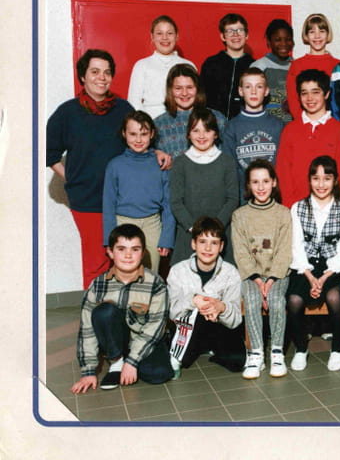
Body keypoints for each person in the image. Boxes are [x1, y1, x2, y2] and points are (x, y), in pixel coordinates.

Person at [47, 49, 145, 288]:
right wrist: (73, 178)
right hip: (88, 199)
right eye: (95, 71)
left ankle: (123, 307)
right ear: (83, 76)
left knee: (126, 258)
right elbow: (49, 153)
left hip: (123, 199)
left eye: (107, 72)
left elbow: (140, 141)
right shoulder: (67, 113)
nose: (102, 77)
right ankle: (95, 309)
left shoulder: (123, 109)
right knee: (97, 261)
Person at [70, 224, 172, 393]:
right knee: (104, 311)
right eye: (121, 249)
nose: (128, 255)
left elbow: (155, 327)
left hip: (144, 339)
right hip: (115, 341)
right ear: (110, 252)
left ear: (143, 253)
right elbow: (86, 329)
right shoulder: (98, 284)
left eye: (135, 249)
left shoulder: (156, 283)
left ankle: (130, 361)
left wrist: (132, 362)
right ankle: (116, 362)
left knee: (158, 374)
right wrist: (88, 371)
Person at [286, 156, 340, 372]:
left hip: (333, 266)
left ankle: (337, 349)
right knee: (294, 299)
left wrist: (325, 275)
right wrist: (309, 275)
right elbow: (295, 245)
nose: (321, 184)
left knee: (335, 297)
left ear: (335, 180)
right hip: (305, 265)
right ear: (309, 180)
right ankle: (301, 348)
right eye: (316, 178)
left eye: (327, 178)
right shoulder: (298, 208)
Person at [231, 160, 292, 379]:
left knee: (276, 300)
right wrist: (257, 280)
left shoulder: (283, 214)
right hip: (251, 275)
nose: (261, 187)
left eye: (265, 181)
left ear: (274, 182)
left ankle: (276, 352)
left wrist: (272, 279)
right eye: (255, 182)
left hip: (278, 274)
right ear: (248, 185)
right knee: (251, 299)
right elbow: (241, 252)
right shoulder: (239, 215)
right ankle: (256, 353)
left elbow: (285, 251)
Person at [168, 217, 245, 378]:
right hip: (188, 329)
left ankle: (211, 348)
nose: (208, 248)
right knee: (184, 358)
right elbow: (172, 313)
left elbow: (235, 320)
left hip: (218, 327)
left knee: (238, 361)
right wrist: (193, 300)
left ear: (221, 246)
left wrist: (221, 307)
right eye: (202, 242)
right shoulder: (177, 271)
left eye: (214, 243)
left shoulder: (231, 272)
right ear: (193, 244)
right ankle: (187, 351)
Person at [102, 111, 175, 270]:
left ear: (152, 134)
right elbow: (108, 205)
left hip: (152, 224)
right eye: (133, 134)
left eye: (144, 134)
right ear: (124, 134)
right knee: (125, 270)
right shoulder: (115, 165)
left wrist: (167, 238)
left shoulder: (161, 165)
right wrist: (108, 240)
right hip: (122, 223)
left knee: (151, 272)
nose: (138, 140)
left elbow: (169, 204)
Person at [169, 108, 239, 264]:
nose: (201, 136)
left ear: (216, 134)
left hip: (219, 234)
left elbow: (232, 199)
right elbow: (176, 202)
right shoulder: (180, 163)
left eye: (207, 130)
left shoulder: (227, 162)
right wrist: (194, 229)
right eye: (196, 130)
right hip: (188, 235)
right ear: (188, 134)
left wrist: (215, 230)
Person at [275, 69, 340, 207]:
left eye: (315, 92)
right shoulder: (289, 130)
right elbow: (283, 172)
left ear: (326, 94)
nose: (309, 98)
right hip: (294, 207)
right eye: (304, 93)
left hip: (328, 207)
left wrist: (328, 206)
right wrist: (291, 206)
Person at [222, 68, 285, 202]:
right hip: (243, 199)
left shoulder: (278, 125)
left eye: (259, 87)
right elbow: (229, 170)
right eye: (248, 87)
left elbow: (282, 167)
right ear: (240, 91)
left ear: (266, 91)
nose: (253, 91)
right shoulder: (232, 127)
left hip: (273, 199)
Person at [154, 64, 227, 159]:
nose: (184, 93)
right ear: (170, 90)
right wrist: (155, 152)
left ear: (198, 89)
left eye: (189, 87)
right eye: (178, 88)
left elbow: (229, 154)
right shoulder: (158, 124)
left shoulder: (217, 118)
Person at [128, 15, 195, 118]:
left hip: (182, 121)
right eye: (159, 33)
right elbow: (134, 102)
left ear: (177, 36)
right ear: (152, 37)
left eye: (170, 33)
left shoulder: (188, 65)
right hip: (150, 121)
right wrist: (147, 124)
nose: (165, 38)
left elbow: (195, 99)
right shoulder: (142, 65)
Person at [200, 13, 254, 119]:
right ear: (222, 36)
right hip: (214, 122)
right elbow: (201, 97)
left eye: (240, 30)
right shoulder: (210, 64)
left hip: (242, 123)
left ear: (247, 35)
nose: (235, 35)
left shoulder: (254, 65)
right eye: (230, 31)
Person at [285, 14, 340, 120]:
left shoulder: (338, 65)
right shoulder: (296, 65)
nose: (317, 36)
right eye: (312, 32)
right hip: (304, 123)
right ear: (306, 35)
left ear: (328, 34)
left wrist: (332, 123)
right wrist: (306, 122)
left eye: (322, 31)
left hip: (332, 123)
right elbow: (293, 101)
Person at [252, 18, 295, 123]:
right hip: (266, 125)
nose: (283, 43)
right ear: (269, 42)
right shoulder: (259, 66)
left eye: (288, 39)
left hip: (291, 125)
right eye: (278, 40)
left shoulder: (296, 66)